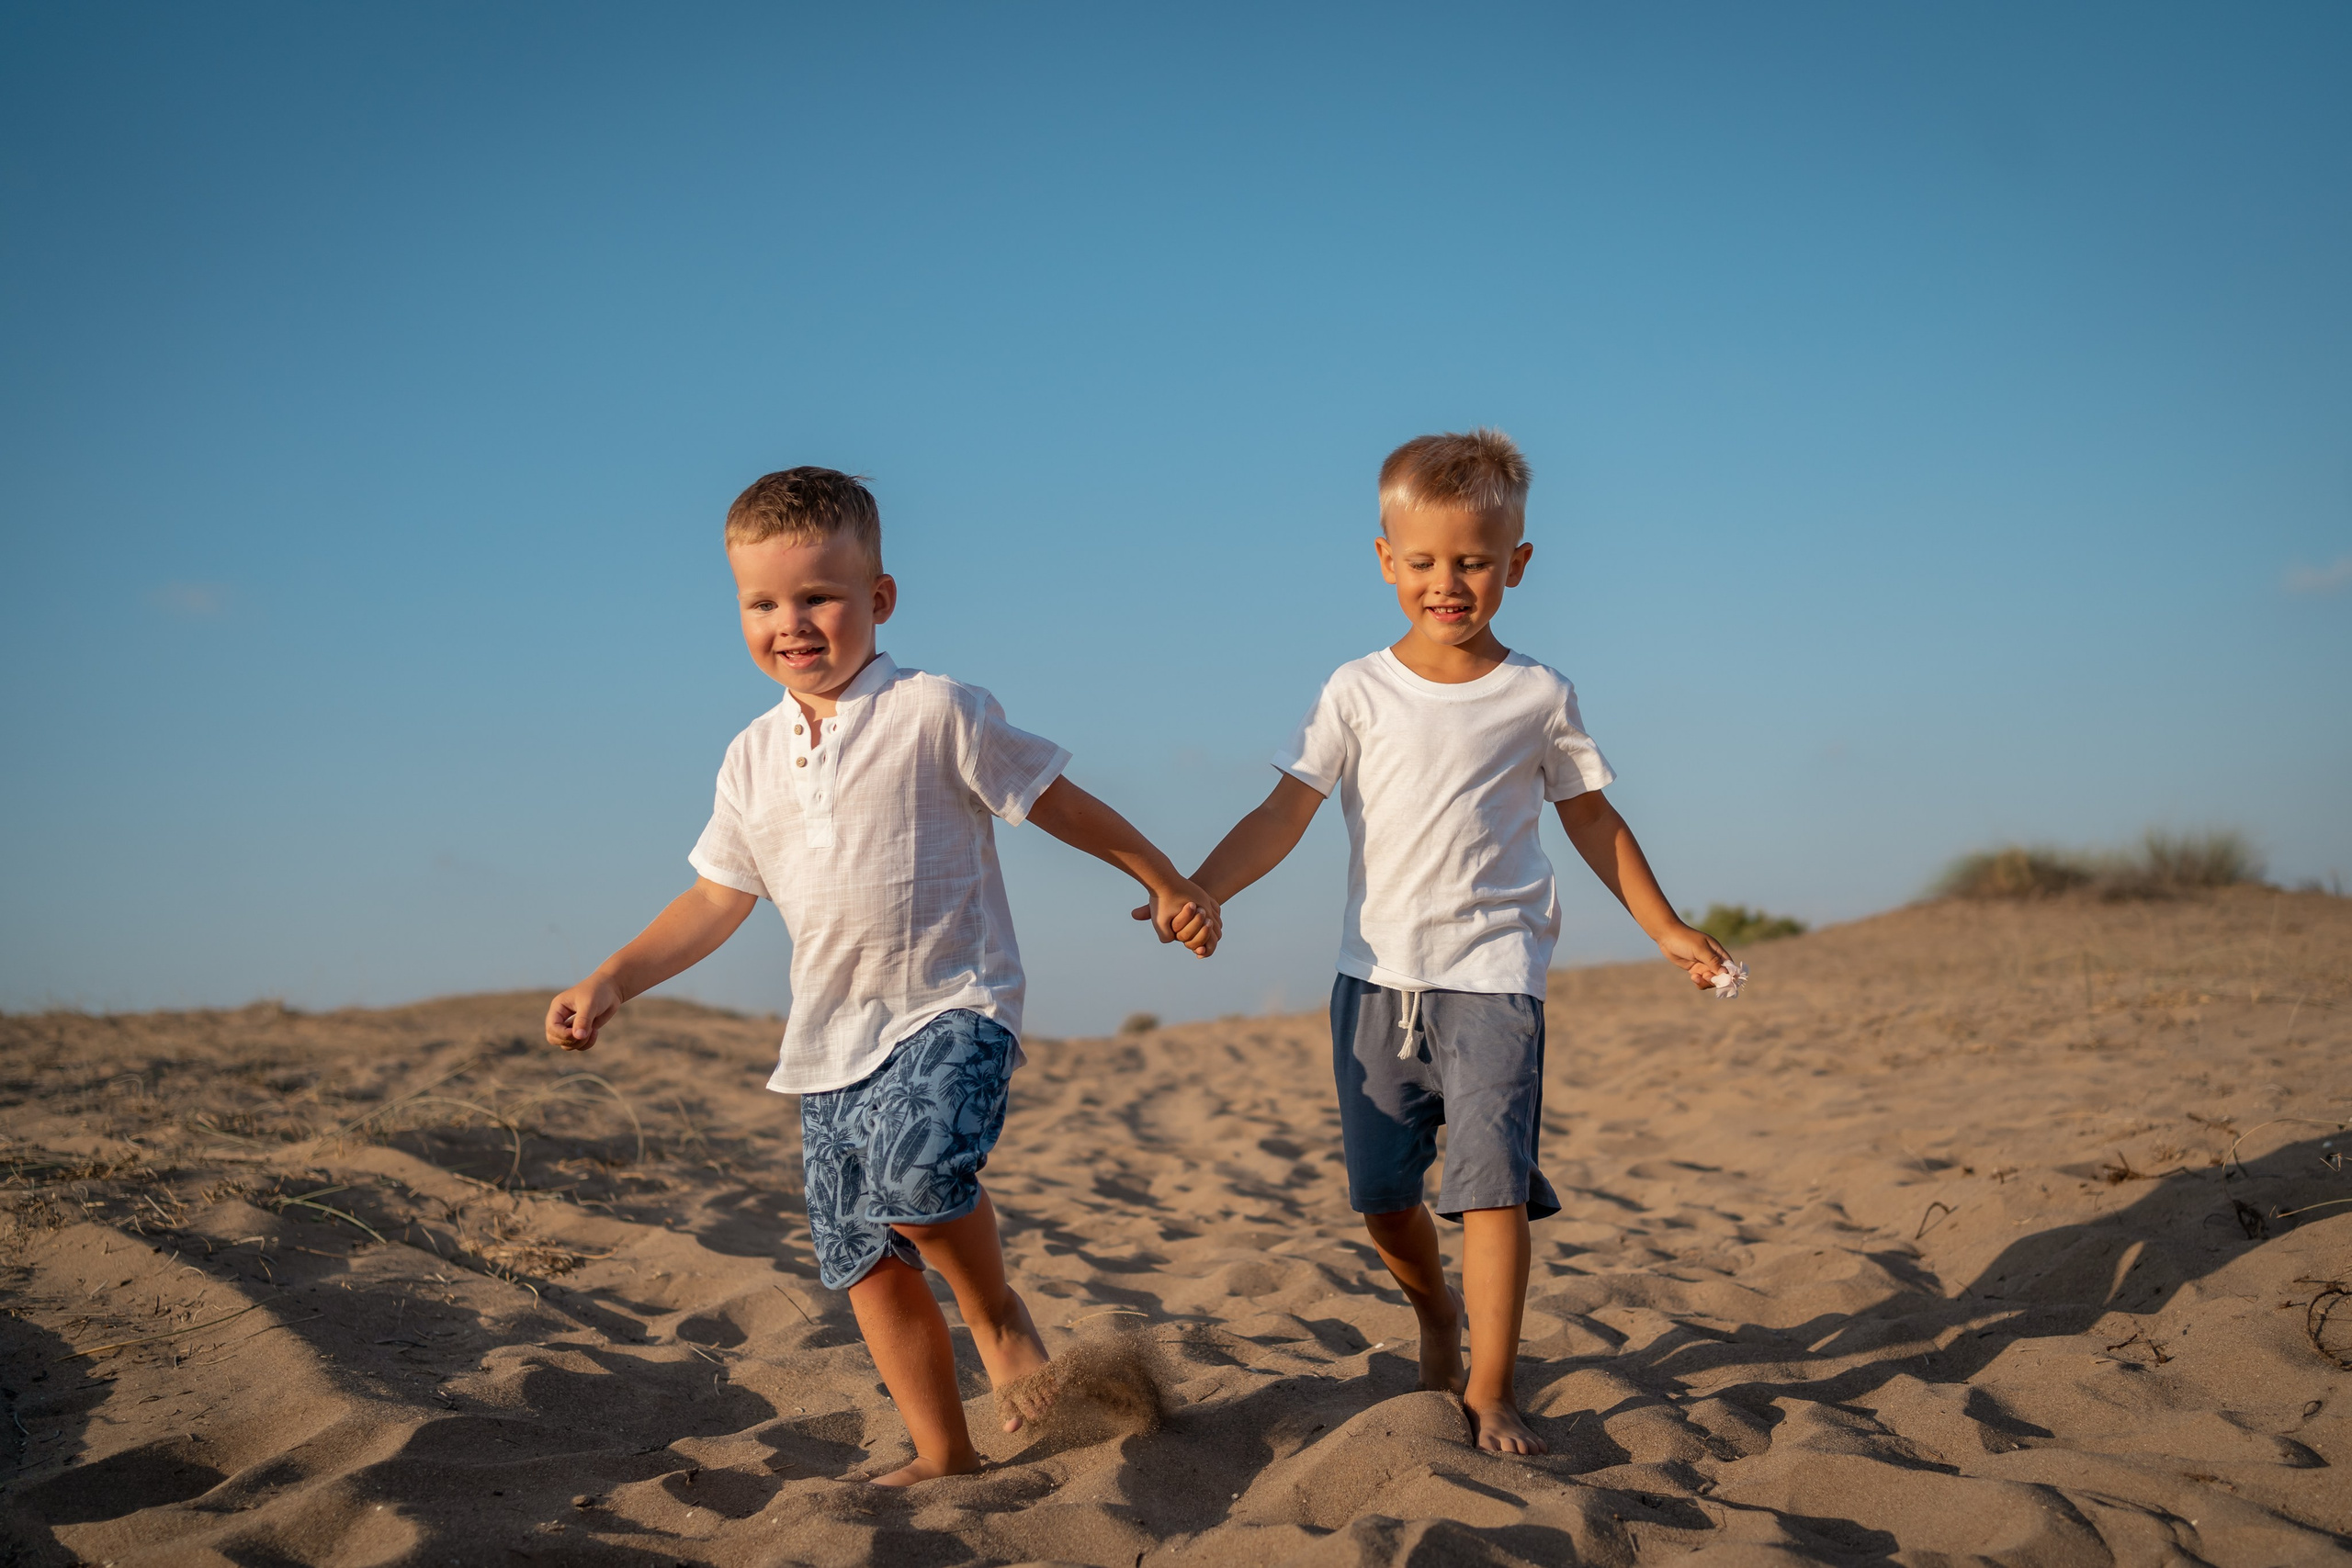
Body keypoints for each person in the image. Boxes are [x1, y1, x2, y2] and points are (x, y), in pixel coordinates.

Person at [545, 467, 1219, 1485]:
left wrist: (1163, 878)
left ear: (880, 597)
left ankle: (997, 1319)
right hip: (826, 1048)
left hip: (952, 1004)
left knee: (920, 1186)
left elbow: (1057, 799)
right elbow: (717, 898)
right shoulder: (749, 758)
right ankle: (944, 1453)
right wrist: (611, 978)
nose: (791, 623)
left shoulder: (934, 709)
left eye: (818, 596)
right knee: (864, 1259)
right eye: (762, 604)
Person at [1165, 429, 1730, 1454]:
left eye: (1473, 561)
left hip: (1496, 976)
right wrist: (1203, 886)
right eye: (1423, 561)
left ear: (1516, 564)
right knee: (1385, 1199)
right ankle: (1434, 1310)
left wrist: (1665, 927)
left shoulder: (1539, 695)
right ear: (1386, 560)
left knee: (1491, 1188)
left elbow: (1592, 817)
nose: (1448, 583)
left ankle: (1493, 1388)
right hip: (1374, 978)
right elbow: (1283, 813)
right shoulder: (1355, 689)